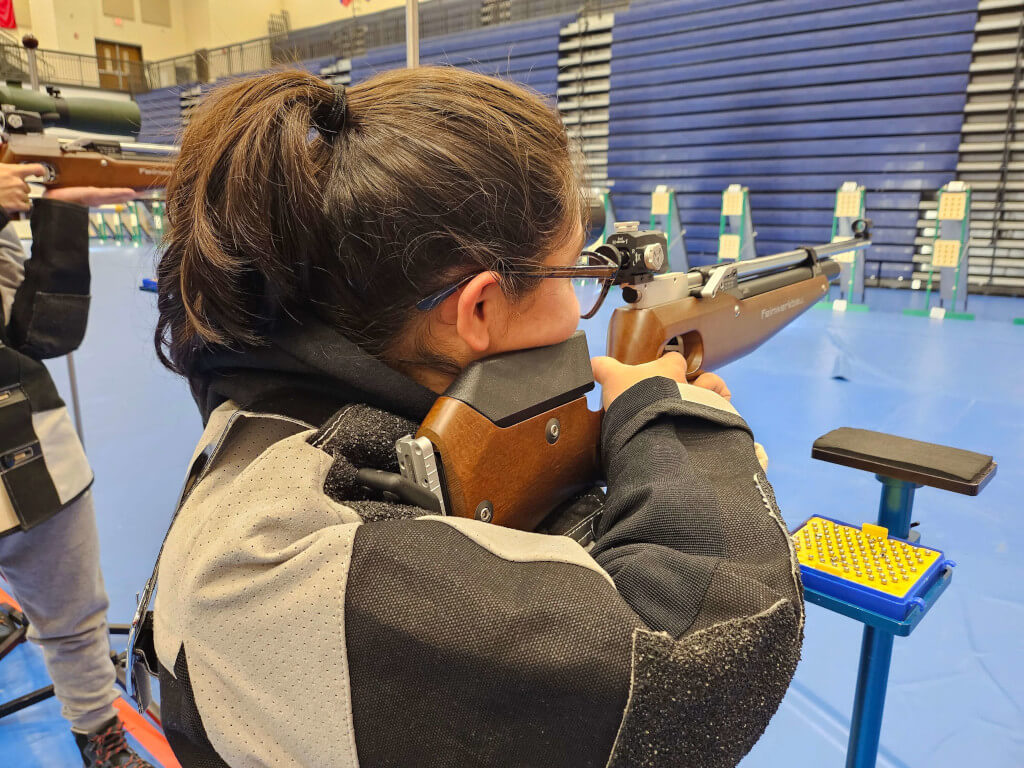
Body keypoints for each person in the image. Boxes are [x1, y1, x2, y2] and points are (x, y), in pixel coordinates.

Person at [149, 67, 803, 768]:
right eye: (578, 275)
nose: (590, 307)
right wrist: (683, 429)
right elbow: (694, 666)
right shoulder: (277, 554)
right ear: (481, 309)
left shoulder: (294, 414)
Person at [0, 163, 154, 768]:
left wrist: (58, 215)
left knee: (75, 618)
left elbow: (35, 334)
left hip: (28, 447)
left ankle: (102, 742)